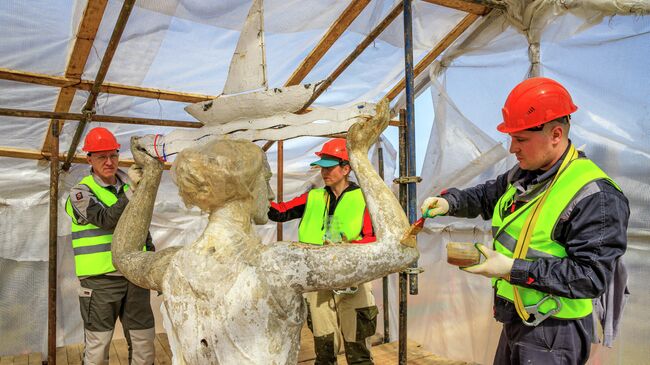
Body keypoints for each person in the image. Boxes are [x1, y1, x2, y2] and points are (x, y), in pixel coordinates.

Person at [109, 99, 419, 364]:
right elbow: (401, 249)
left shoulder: (173, 265)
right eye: (266, 180)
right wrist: (360, 155)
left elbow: (123, 253)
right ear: (246, 188)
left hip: (348, 290)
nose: (270, 193)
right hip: (328, 278)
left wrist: (151, 177)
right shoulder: (279, 265)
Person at [420, 77, 629, 365]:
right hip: (521, 318)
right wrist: (449, 202)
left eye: (520, 140)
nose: (511, 149)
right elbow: (488, 194)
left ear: (556, 134)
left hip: (555, 331)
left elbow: (590, 276)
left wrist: (511, 268)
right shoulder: (525, 175)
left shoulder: (595, 195)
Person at [268, 138, 378, 365]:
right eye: (322, 167)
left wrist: (348, 249)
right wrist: (255, 192)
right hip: (318, 280)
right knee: (324, 348)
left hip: (353, 278)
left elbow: (374, 239)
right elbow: (279, 212)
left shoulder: (365, 198)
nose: (324, 172)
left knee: (358, 351)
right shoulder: (314, 197)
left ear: (346, 168)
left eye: (329, 167)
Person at [65, 127, 156, 365]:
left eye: (113, 155)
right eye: (101, 157)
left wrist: (152, 264)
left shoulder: (131, 183)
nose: (109, 162)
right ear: (89, 159)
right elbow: (106, 220)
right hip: (100, 280)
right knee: (98, 346)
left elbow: (141, 225)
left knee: (144, 343)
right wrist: (132, 191)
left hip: (135, 276)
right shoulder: (80, 193)